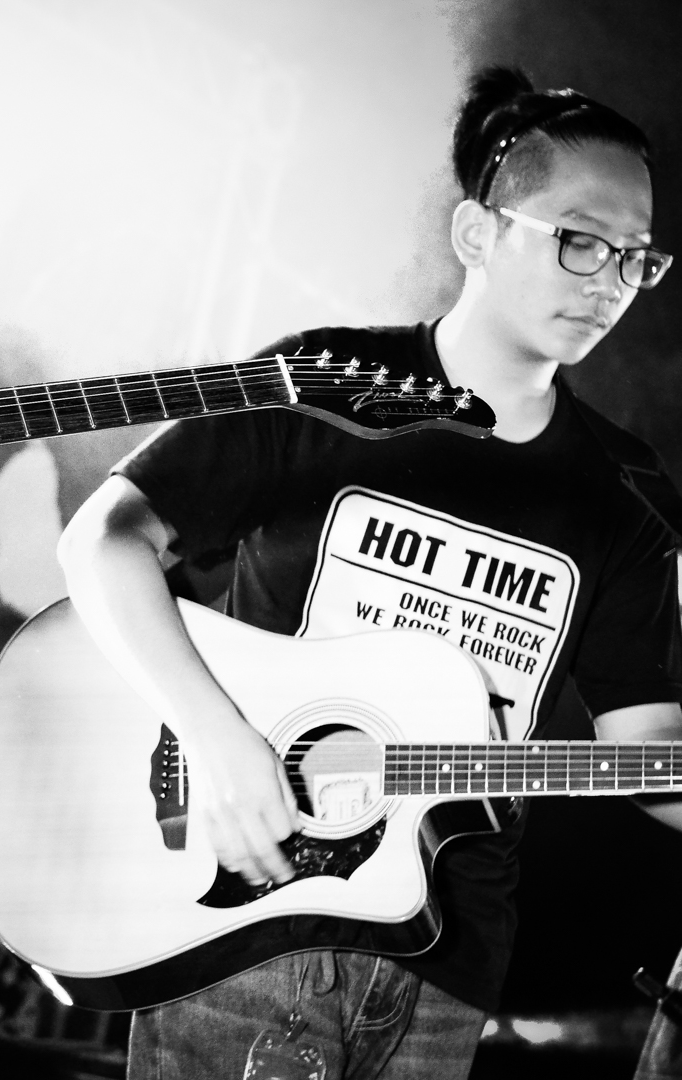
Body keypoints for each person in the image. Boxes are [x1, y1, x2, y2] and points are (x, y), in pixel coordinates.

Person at [57, 66, 682, 1079]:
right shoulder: (328, 382)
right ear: (476, 233)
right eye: (579, 239)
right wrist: (215, 738)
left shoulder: (627, 495)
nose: (608, 280)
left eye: (635, 257)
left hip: (447, 964)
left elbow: (647, 748)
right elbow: (103, 540)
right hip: (246, 925)